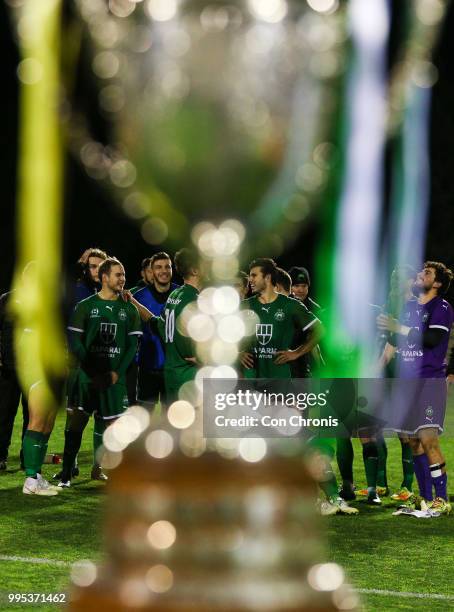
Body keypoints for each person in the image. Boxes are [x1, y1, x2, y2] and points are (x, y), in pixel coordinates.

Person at [241, 258, 357, 515]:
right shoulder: (245, 307)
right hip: (255, 387)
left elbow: (320, 330)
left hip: (285, 387)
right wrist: (239, 352)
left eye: (254, 275)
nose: (251, 280)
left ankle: (334, 497)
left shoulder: (289, 306)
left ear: (268, 278)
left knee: (302, 442)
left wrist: (296, 352)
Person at [57, 258, 142, 488]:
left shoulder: (129, 309)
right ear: (105, 277)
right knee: (76, 423)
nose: (123, 279)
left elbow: (132, 346)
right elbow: (75, 342)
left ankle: (116, 475)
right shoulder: (85, 306)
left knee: (116, 428)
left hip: (115, 380)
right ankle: (66, 474)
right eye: (118, 274)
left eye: (123, 274)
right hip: (87, 377)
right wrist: (95, 371)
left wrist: (115, 374)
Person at [377, 261, 454, 515]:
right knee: (411, 440)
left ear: (438, 283)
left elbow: (432, 339)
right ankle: (425, 496)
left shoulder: (442, 307)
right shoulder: (408, 308)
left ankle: (442, 499)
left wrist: (397, 327)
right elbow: (393, 341)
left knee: (428, 438)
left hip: (429, 382)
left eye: (427, 273)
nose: (421, 276)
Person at [132, 252, 178, 408]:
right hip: (147, 367)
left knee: (172, 420)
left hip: (173, 369)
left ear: (172, 269)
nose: (164, 271)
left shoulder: (180, 295)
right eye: (158, 267)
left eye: (167, 267)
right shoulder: (138, 297)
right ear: (151, 271)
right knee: (145, 419)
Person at [0, 288, 29, 471]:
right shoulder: (7, 299)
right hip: (9, 368)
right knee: (4, 413)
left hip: (34, 371)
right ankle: (1, 456)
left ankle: (28, 458)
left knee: (32, 417)